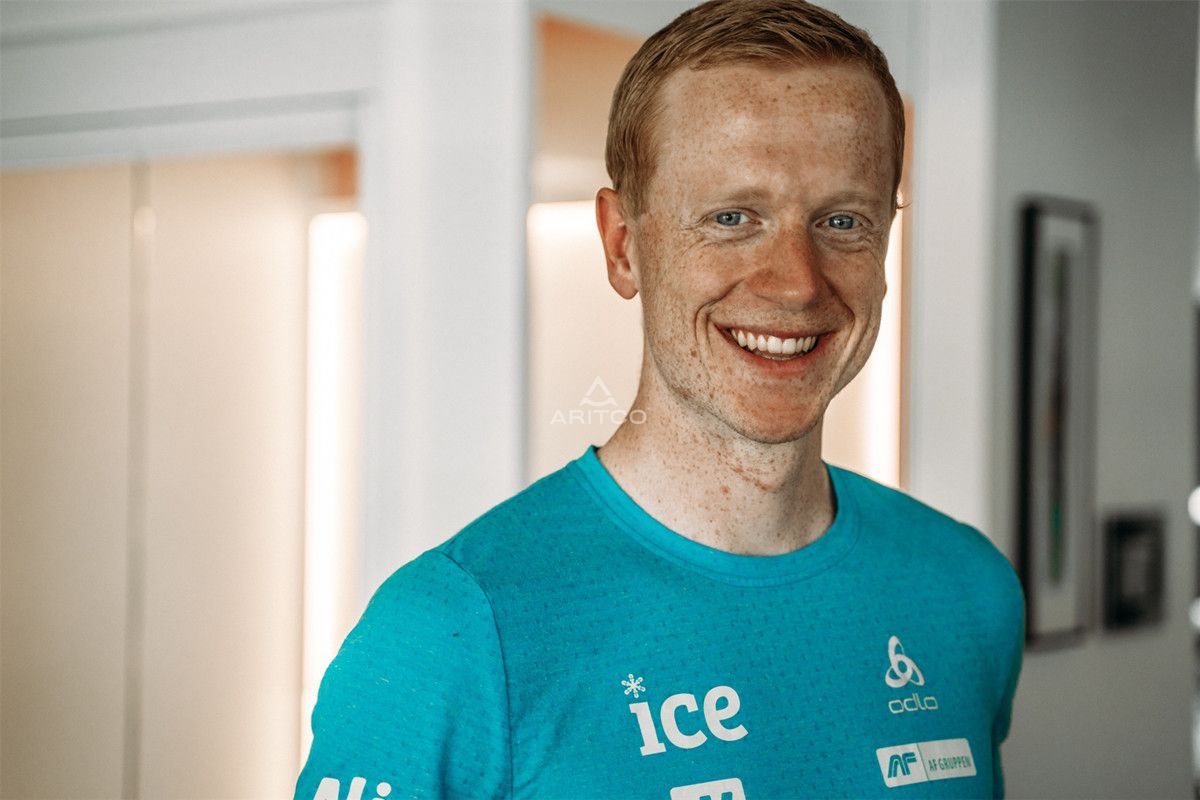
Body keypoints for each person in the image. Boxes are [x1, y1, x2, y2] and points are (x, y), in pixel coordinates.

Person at [295, 1, 1024, 797]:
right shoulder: (449, 636)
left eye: (843, 221)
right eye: (732, 218)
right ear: (623, 247)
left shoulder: (966, 589)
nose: (797, 283)